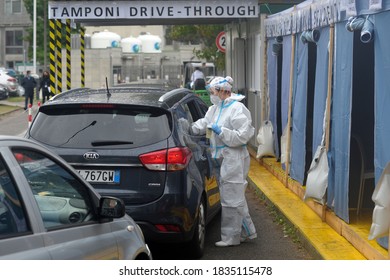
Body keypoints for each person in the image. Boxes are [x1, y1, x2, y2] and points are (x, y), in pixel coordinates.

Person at [189, 76, 257, 247]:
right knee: (235, 196)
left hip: (234, 158)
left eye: (212, 92)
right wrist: (188, 127)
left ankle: (231, 238)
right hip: (220, 158)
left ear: (221, 91)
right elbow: (204, 123)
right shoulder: (214, 109)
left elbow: (243, 136)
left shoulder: (237, 108)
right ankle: (247, 232)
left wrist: (222, 132)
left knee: (231, 199)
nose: (210, 95)